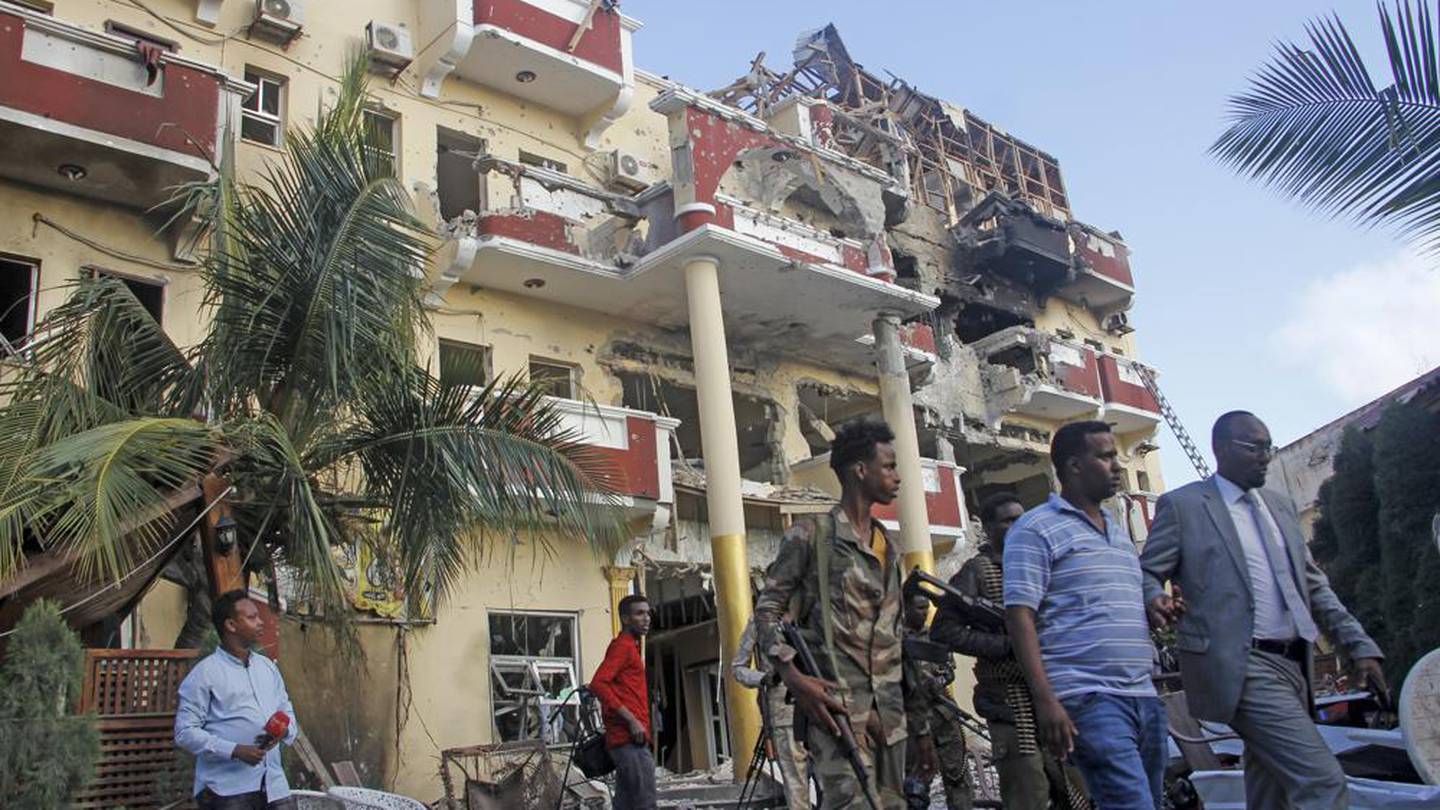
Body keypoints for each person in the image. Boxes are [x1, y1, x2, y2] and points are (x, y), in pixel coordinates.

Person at [1140, 411, 1385, 810]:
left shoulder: (1280, 506)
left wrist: (1359, 645)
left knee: (1271, 789)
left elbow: (1315, 588)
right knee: (1322, 781)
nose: (1265, 456)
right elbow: (1148, 572)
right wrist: (1155, 597)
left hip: (1294, 663)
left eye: (1268, 447)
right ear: (1220, 449)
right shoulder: (1184, 506)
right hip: (1241, 663)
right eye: (1253, 447)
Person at [755, 418, 935, 809]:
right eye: (888, 466)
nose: (897, 477)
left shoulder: (892, 547)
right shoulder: (811, 536)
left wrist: (920, 726)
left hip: (890, 717)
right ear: (860, 470)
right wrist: (792, 675)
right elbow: (768, 610)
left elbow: (898, 639)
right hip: (835, 711)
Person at [1003, 421, 1166, 810]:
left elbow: (1116, 604)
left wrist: (1155, 608)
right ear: (1075, 466)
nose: (1117, 466)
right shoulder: (1035, 529)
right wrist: (1046, 702)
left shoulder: (1118, 532)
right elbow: (1019, 616)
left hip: (1143, 694)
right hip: (1089, 697)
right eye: (1106, 456)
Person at [933, 492, 1089, 810]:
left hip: (1058, 697)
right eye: (1007, 520)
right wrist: (1006, 645)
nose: (1017, 525)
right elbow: (944, 630)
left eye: (1021, 517)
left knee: (1076, 794)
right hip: (1011, 703)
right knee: (1027, 794)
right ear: (988, 527)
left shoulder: (1039, 564)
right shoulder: (978, 571)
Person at [175, 590, 299, 810]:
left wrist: (283, 731)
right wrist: (234, 750)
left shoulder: (267, 667)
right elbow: (185, 733)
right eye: (252, 618)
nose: (261, 622)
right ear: (231, 625)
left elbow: (285, 707)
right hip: (227, 791)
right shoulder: (205, 674)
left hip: (274, 786)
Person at [902, 585, 973, 810]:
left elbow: (949, 668)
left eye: (927, 608)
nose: (925, 612)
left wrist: (938, 683)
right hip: (911, 721)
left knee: (958, 776)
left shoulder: (935, 635)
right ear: (904, 609)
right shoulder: (893, 640)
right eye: (920, 608)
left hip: (942, 715)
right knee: (915, 783)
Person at [732, 615, 811, 808]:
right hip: (785, 711)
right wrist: (764, 678)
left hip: (821, 705)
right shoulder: (759, 621)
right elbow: (738, 668)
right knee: (796, 784)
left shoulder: (811, 607)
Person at [590, 593, 656, 810]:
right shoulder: (623, 646)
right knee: (645, 803)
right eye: (639, 613)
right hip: (628, 739)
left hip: (631, 738)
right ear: (625, 619)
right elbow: (598, 684)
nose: (646, 618)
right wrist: (631, 720)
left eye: (647, 613)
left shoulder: (631, 647)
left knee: (626, 805)